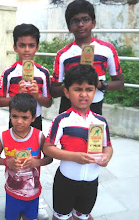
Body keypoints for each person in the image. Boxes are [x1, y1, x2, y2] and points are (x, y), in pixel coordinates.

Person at [43, 65, 113, 220]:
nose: (83, 94)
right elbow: (47, 148)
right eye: (77, 89)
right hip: (66, 181)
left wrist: (107, 157)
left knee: (83, 216)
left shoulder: (100, 121)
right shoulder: (62, 120)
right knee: (61, 217)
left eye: (89, 89)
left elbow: (107, 146)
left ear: (95, 91)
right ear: (67, 92)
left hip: (91, 182)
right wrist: (74, 157)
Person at [51, 0, 124, 115]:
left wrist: (99, 84)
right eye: (75, 21)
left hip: (95, 106)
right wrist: (73, 86)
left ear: (93, 23)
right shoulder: (63, 54)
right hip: (68, 107)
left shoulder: (107, 49)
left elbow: (119, 83)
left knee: (93, 133)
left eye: (85, 19)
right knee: (67, 133)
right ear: (69, 28)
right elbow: (54, 90)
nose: (81, 24)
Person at [0, 93, 52, 220]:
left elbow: (49, 158)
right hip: (12, 192)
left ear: (33, 118)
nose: (19, 121)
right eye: (15, 116)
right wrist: (6, 162)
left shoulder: (39, 136)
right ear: (10, 115)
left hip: (33, 192)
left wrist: (36, 162)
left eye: (24, 117)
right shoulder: (4, 136)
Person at [0, 23, 52, 131]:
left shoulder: (43, 73)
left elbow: (48, 102)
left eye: (31, 45)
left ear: (36, 48)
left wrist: (37, 96)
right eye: (22, 45)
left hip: (36, 120)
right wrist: (17, 96)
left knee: (35, 148)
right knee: (13, 148)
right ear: (15, 48)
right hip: (15, 121)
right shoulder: (9, 72)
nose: (26, 50)